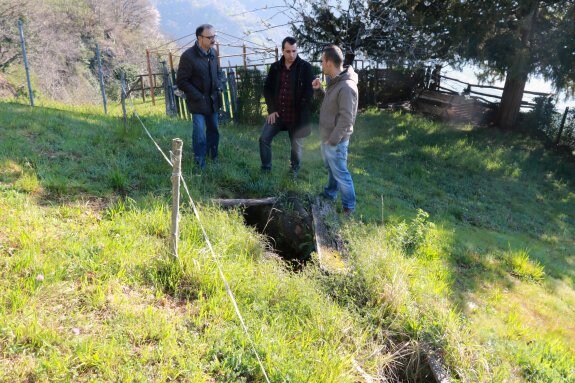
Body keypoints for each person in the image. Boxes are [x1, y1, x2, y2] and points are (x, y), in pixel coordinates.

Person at [312, 45, 358, 215]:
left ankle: (349, 208)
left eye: (322, 61)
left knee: (341, 174)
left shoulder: (346, 87)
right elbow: (330, 103)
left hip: (336, 141)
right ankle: (330, 194)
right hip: (328, 138)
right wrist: (319, 91)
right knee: (332, 169)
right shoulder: (335, 82)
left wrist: (332, 141)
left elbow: (346, 119)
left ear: (329, 63)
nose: (321, 64)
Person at [259, 36, 314, 176]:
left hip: (297, 116)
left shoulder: (305, 67)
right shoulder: (276, 67)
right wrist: (271, 110)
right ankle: (266, 169)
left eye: (294, 51)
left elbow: (309, 92)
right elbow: (267, 89)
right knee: (264, 139)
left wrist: (301, 111)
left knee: (296, 146)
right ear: (283, 51)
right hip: (278, 114)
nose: (291, 55)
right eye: (288, 51)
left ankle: (293, 171)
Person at [176, 24, 222, 169]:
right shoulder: (188, 56)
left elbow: (218, 73)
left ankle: (213, 156)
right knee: (199, 132)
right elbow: (182, 81)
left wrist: (219, 85)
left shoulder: (213, 53)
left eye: (214, 36)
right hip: (197, 102)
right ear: (199, 38)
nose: (213, 39)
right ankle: (199, 160)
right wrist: (198, 95)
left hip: (213, 100)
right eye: (209, 37)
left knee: (214, 129)